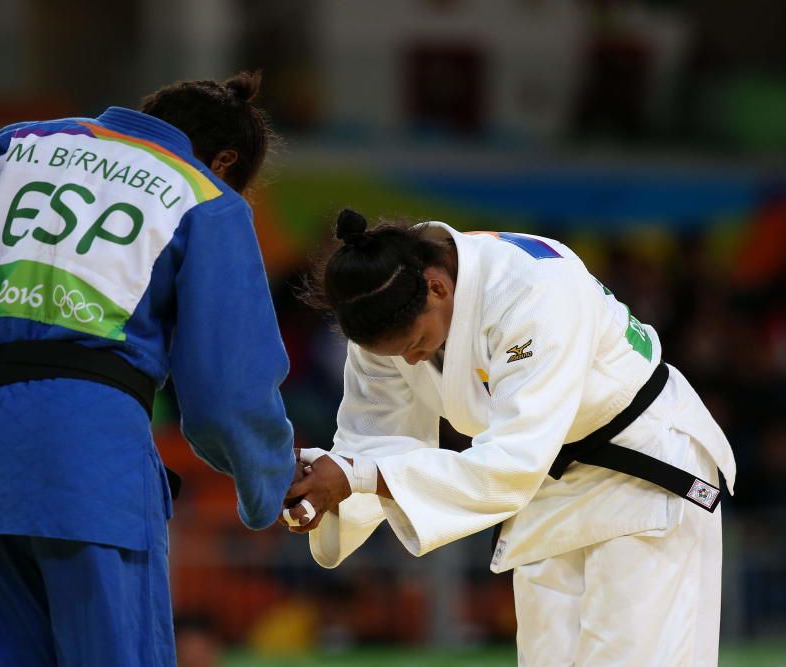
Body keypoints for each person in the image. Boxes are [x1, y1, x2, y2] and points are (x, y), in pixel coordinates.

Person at [0, 72, 297, 666]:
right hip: (93, 470)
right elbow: (226, 392)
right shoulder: (207, 197)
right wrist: (270, 483)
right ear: (225, 161)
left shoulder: (18, 146)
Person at [283, 209, 736, 666]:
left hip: (639, 469)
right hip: (547, 492)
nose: (413, 361)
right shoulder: (389, 309)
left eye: (415, 342)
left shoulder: (533, 287)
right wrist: (320, 494)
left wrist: (356, 477)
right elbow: (370, 445)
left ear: (438, 288)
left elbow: (513, 460)